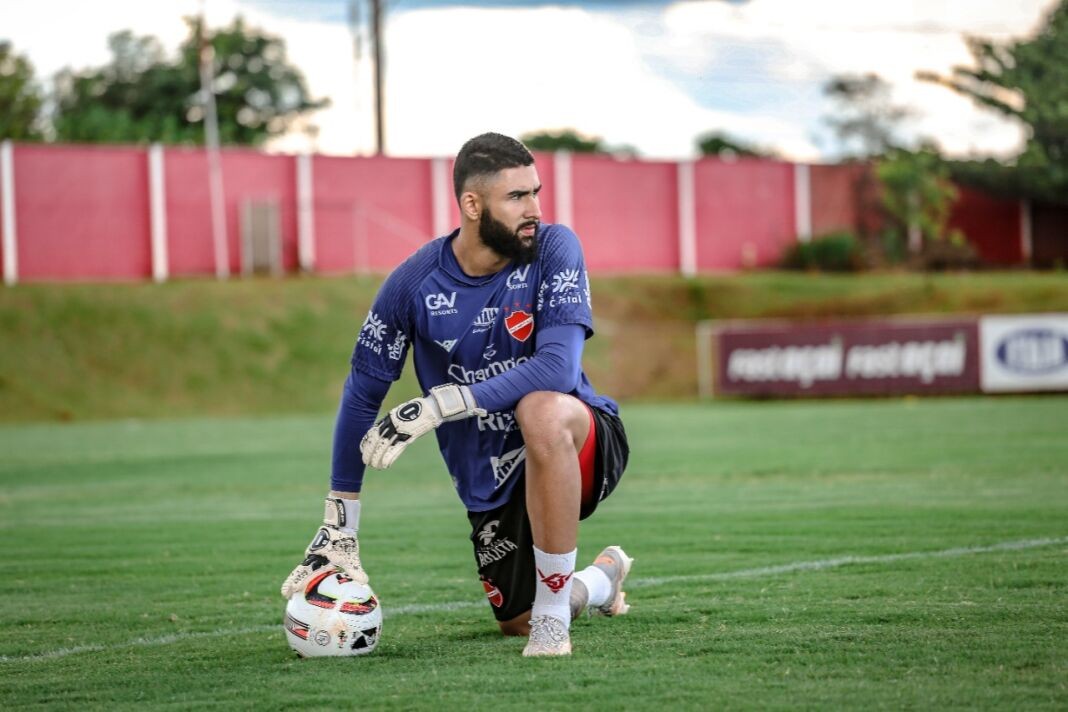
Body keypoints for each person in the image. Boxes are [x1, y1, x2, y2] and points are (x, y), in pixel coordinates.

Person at [281, 132, 631, 657]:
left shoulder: (555, 248)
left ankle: (554, 623)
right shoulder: (413, 284)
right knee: (516, 618)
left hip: (579, 443)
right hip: (488, 477)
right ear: (472, 204)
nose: (534, 208)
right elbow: (362, 392)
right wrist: (340, 518)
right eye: (517, 197)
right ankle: (602, 579)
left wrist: (444, 402)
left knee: (540, 410)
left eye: (535, 192)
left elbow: (558, 369)